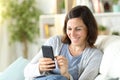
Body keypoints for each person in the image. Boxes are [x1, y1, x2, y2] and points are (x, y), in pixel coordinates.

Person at [24, 5, 103, 80]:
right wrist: (40, 68)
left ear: (89, 29)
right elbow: (26, 72)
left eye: (78, 29)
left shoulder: (95, 56)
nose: (72, 34)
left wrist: (66, 75)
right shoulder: (56, 42)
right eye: (69, 29)